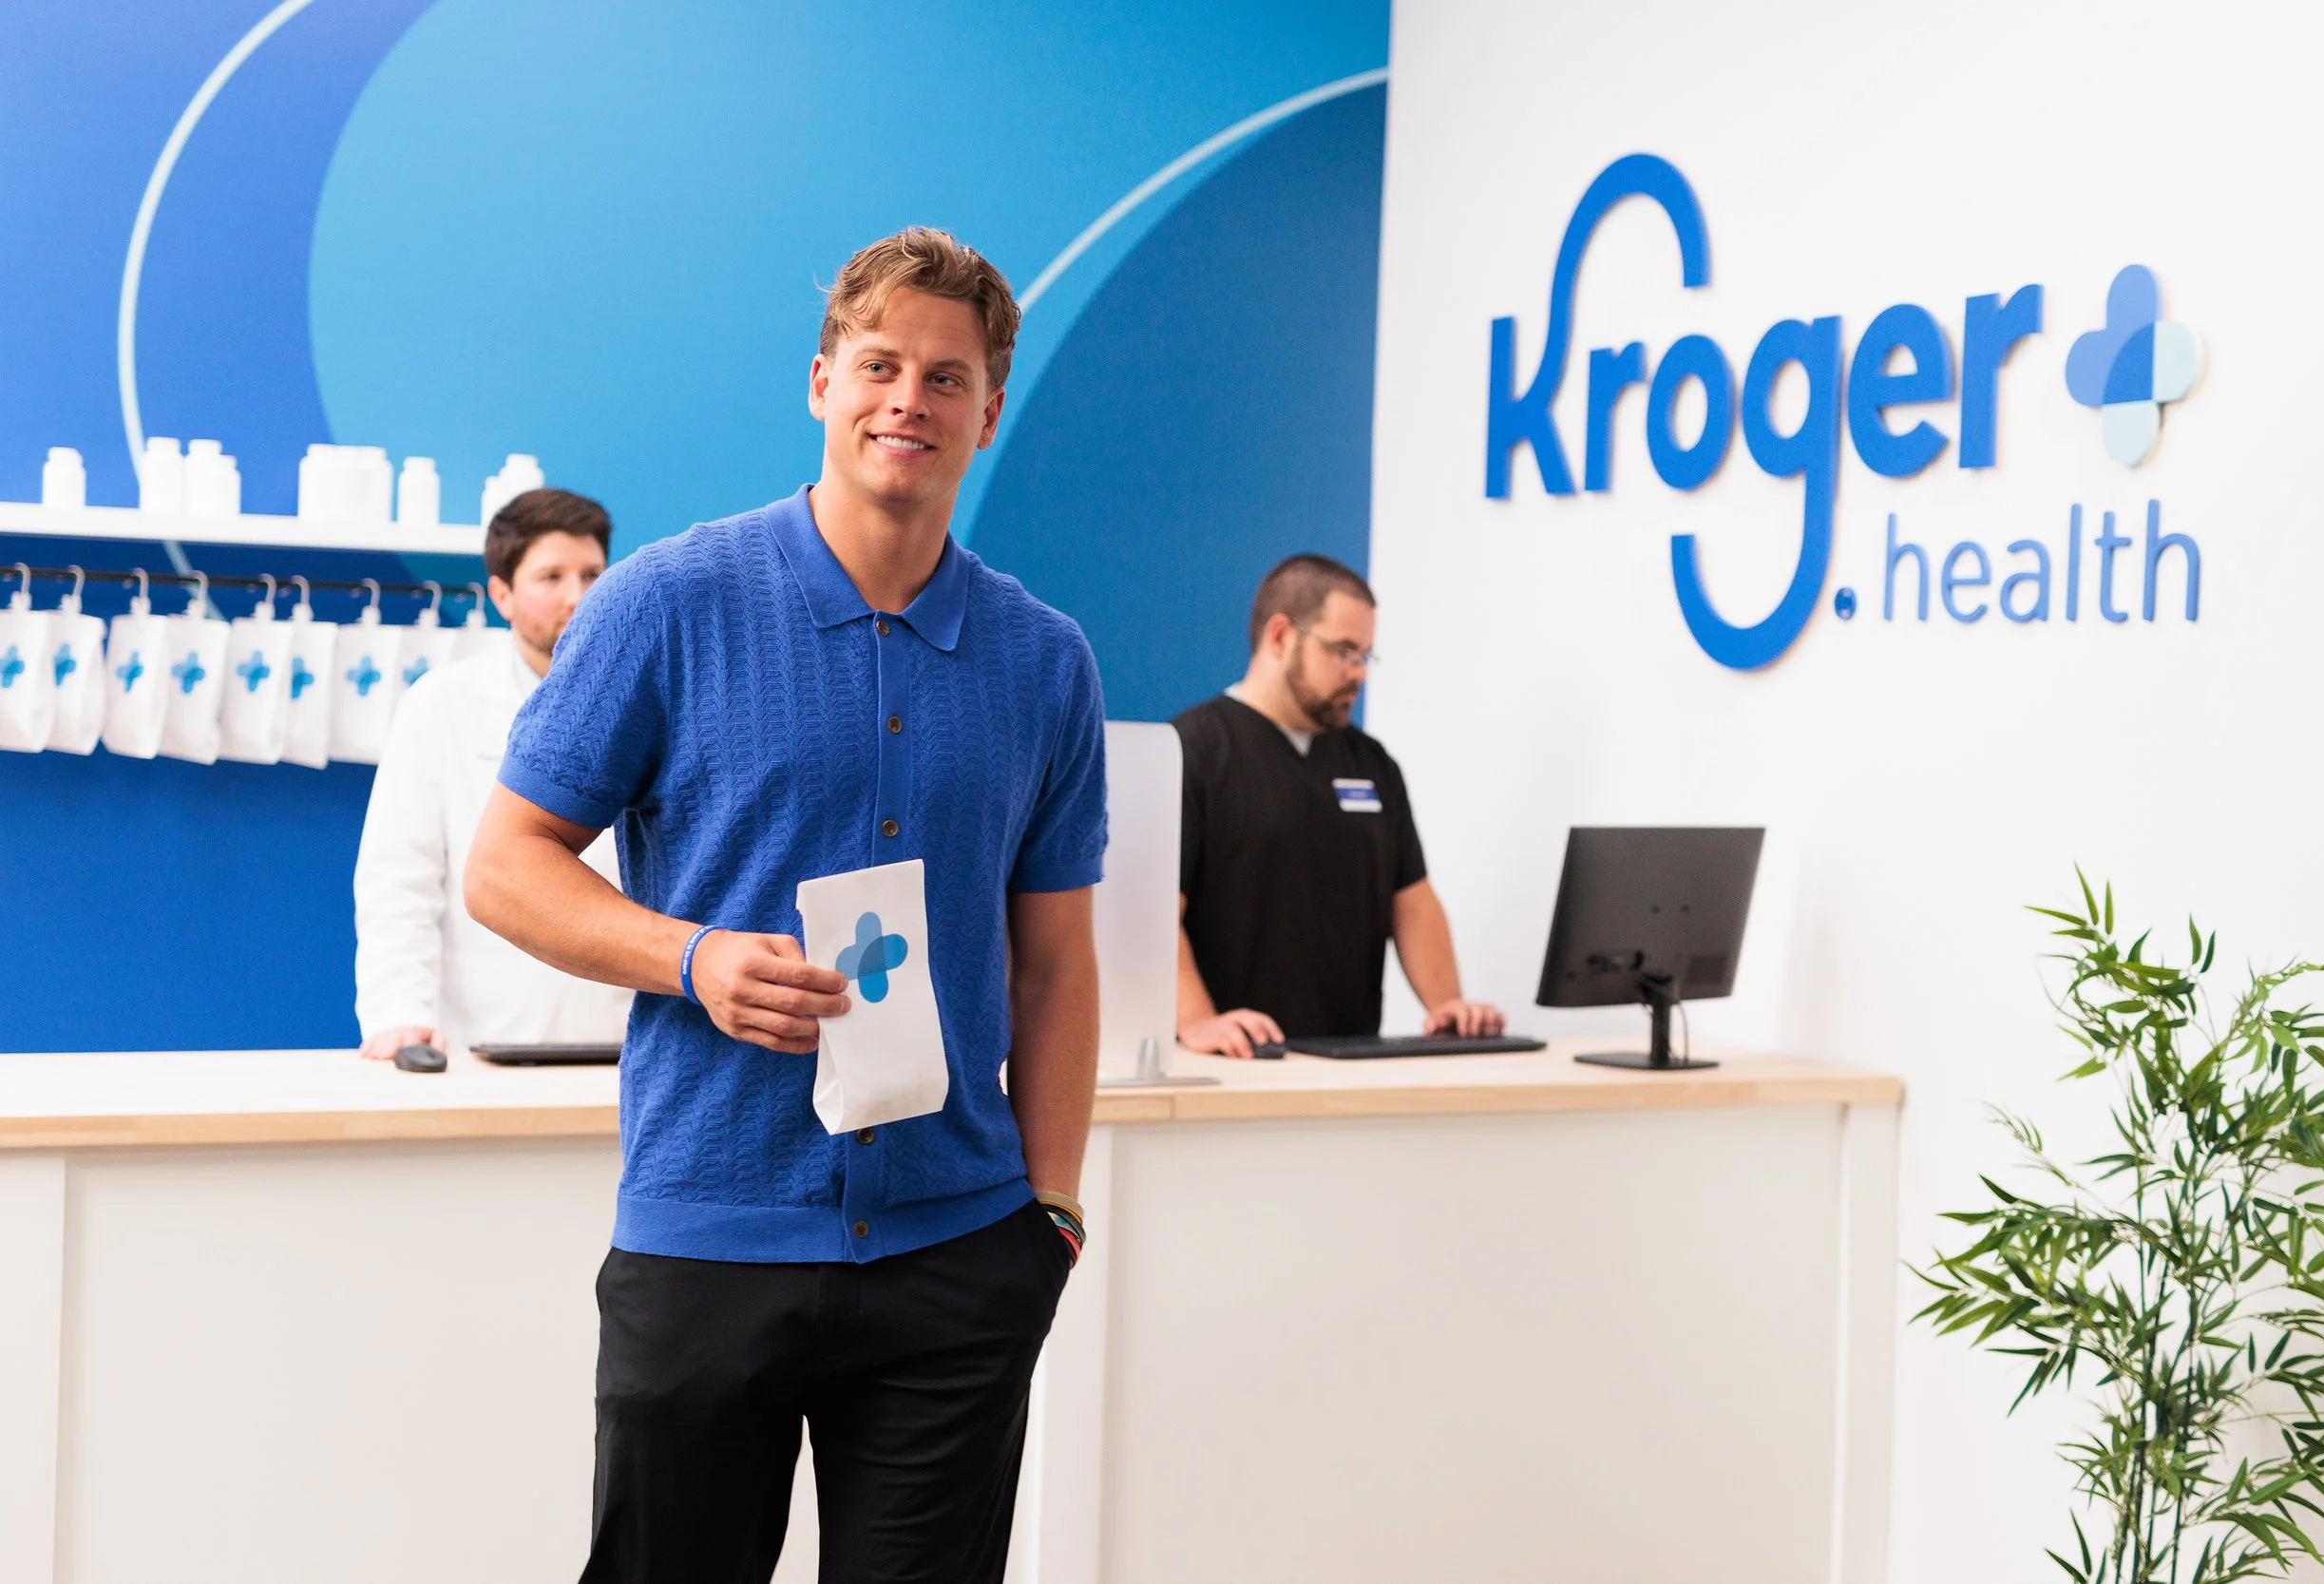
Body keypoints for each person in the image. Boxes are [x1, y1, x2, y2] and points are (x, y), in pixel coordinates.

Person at [464, 228, 1105, 1584]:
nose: (908, 400)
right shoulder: (661, 604)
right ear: (821, 380)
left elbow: (1055, 964)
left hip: (958, 1247)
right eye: (880, 364)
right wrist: (690, 957)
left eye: (948, 376)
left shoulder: (1046, 661)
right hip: (709, 1233)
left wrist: (1049, 1212)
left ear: (989, 410)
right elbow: (506, 865)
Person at [1173, 554, 1504, 1059]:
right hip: (1233, 1065)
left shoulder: (1372, 763)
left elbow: (1411, 901)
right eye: (1343, 652)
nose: (1358, 674)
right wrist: (1198, 1023)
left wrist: (1448, 1004)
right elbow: (1153, 916)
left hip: (1349, 1063)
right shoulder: (1190, 751)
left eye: (1365, 656)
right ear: (1280, 637)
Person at [353, 488, 632, 1060]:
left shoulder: (646, 704)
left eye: (591, 574)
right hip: (481, 1044)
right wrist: (399, 1017)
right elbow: (400, 880)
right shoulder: (441, 705)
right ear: (501, 594)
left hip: (626, 1046)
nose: (576, 597)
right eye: (550, 577)